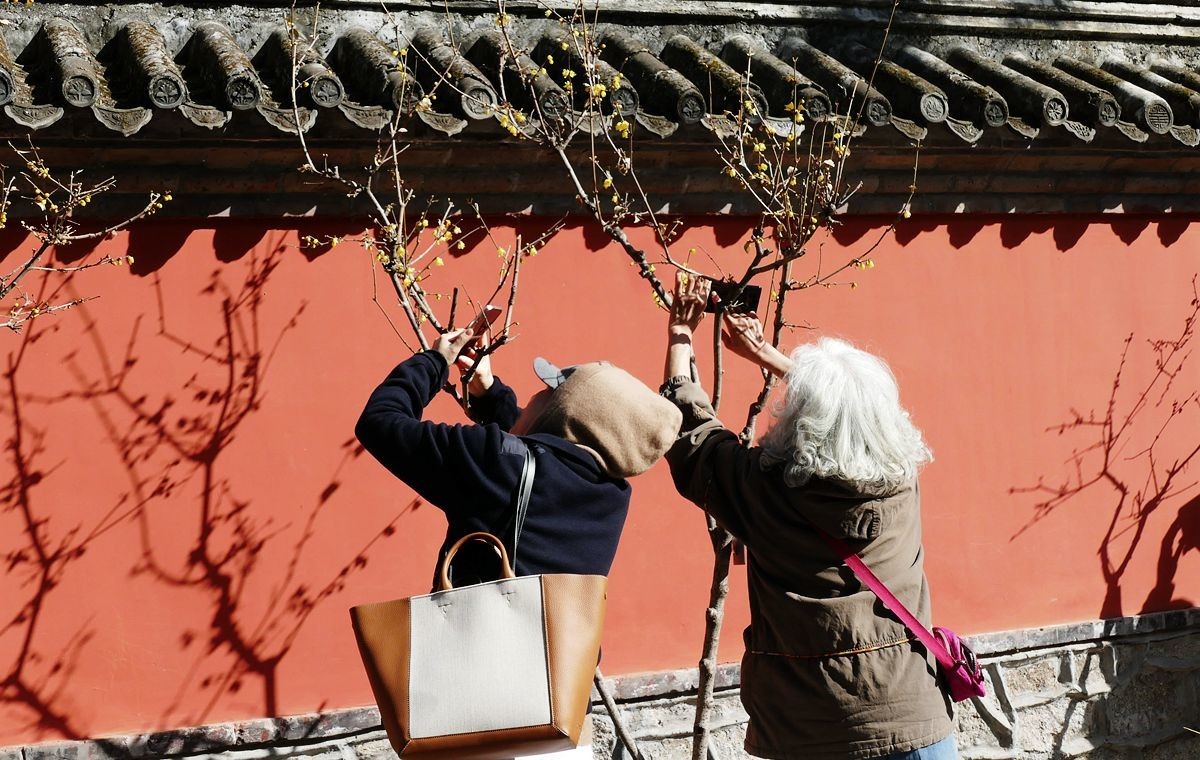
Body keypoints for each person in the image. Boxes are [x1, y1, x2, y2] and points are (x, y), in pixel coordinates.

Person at [659, 273, 957, 760]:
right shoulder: (903, 485)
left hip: (807, 733)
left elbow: (691, 439)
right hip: (917, 723)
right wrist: (770, 358)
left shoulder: (764, 491)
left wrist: (680, 336)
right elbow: (849, 408)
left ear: (799, 417)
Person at [354, 328, 682, 758]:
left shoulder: (495, 463)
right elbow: (537, 451)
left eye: (547, 393)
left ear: (567, 411)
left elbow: (380, 423)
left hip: (474, 718)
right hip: (558, 718)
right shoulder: (610, 493)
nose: (532, 398)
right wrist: (489, 394)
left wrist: (433, 362)